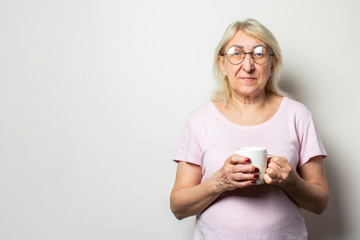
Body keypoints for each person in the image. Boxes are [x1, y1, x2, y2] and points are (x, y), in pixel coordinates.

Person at [170, 18, 330, 240]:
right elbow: (178, 208)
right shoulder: (200, 120)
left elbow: (320, 203)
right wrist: (219, 182)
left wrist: (291, 181)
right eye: (236, 53)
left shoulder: (297, 115)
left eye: (259, 53)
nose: (248, 65)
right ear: (222, 64)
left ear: (272, 64)